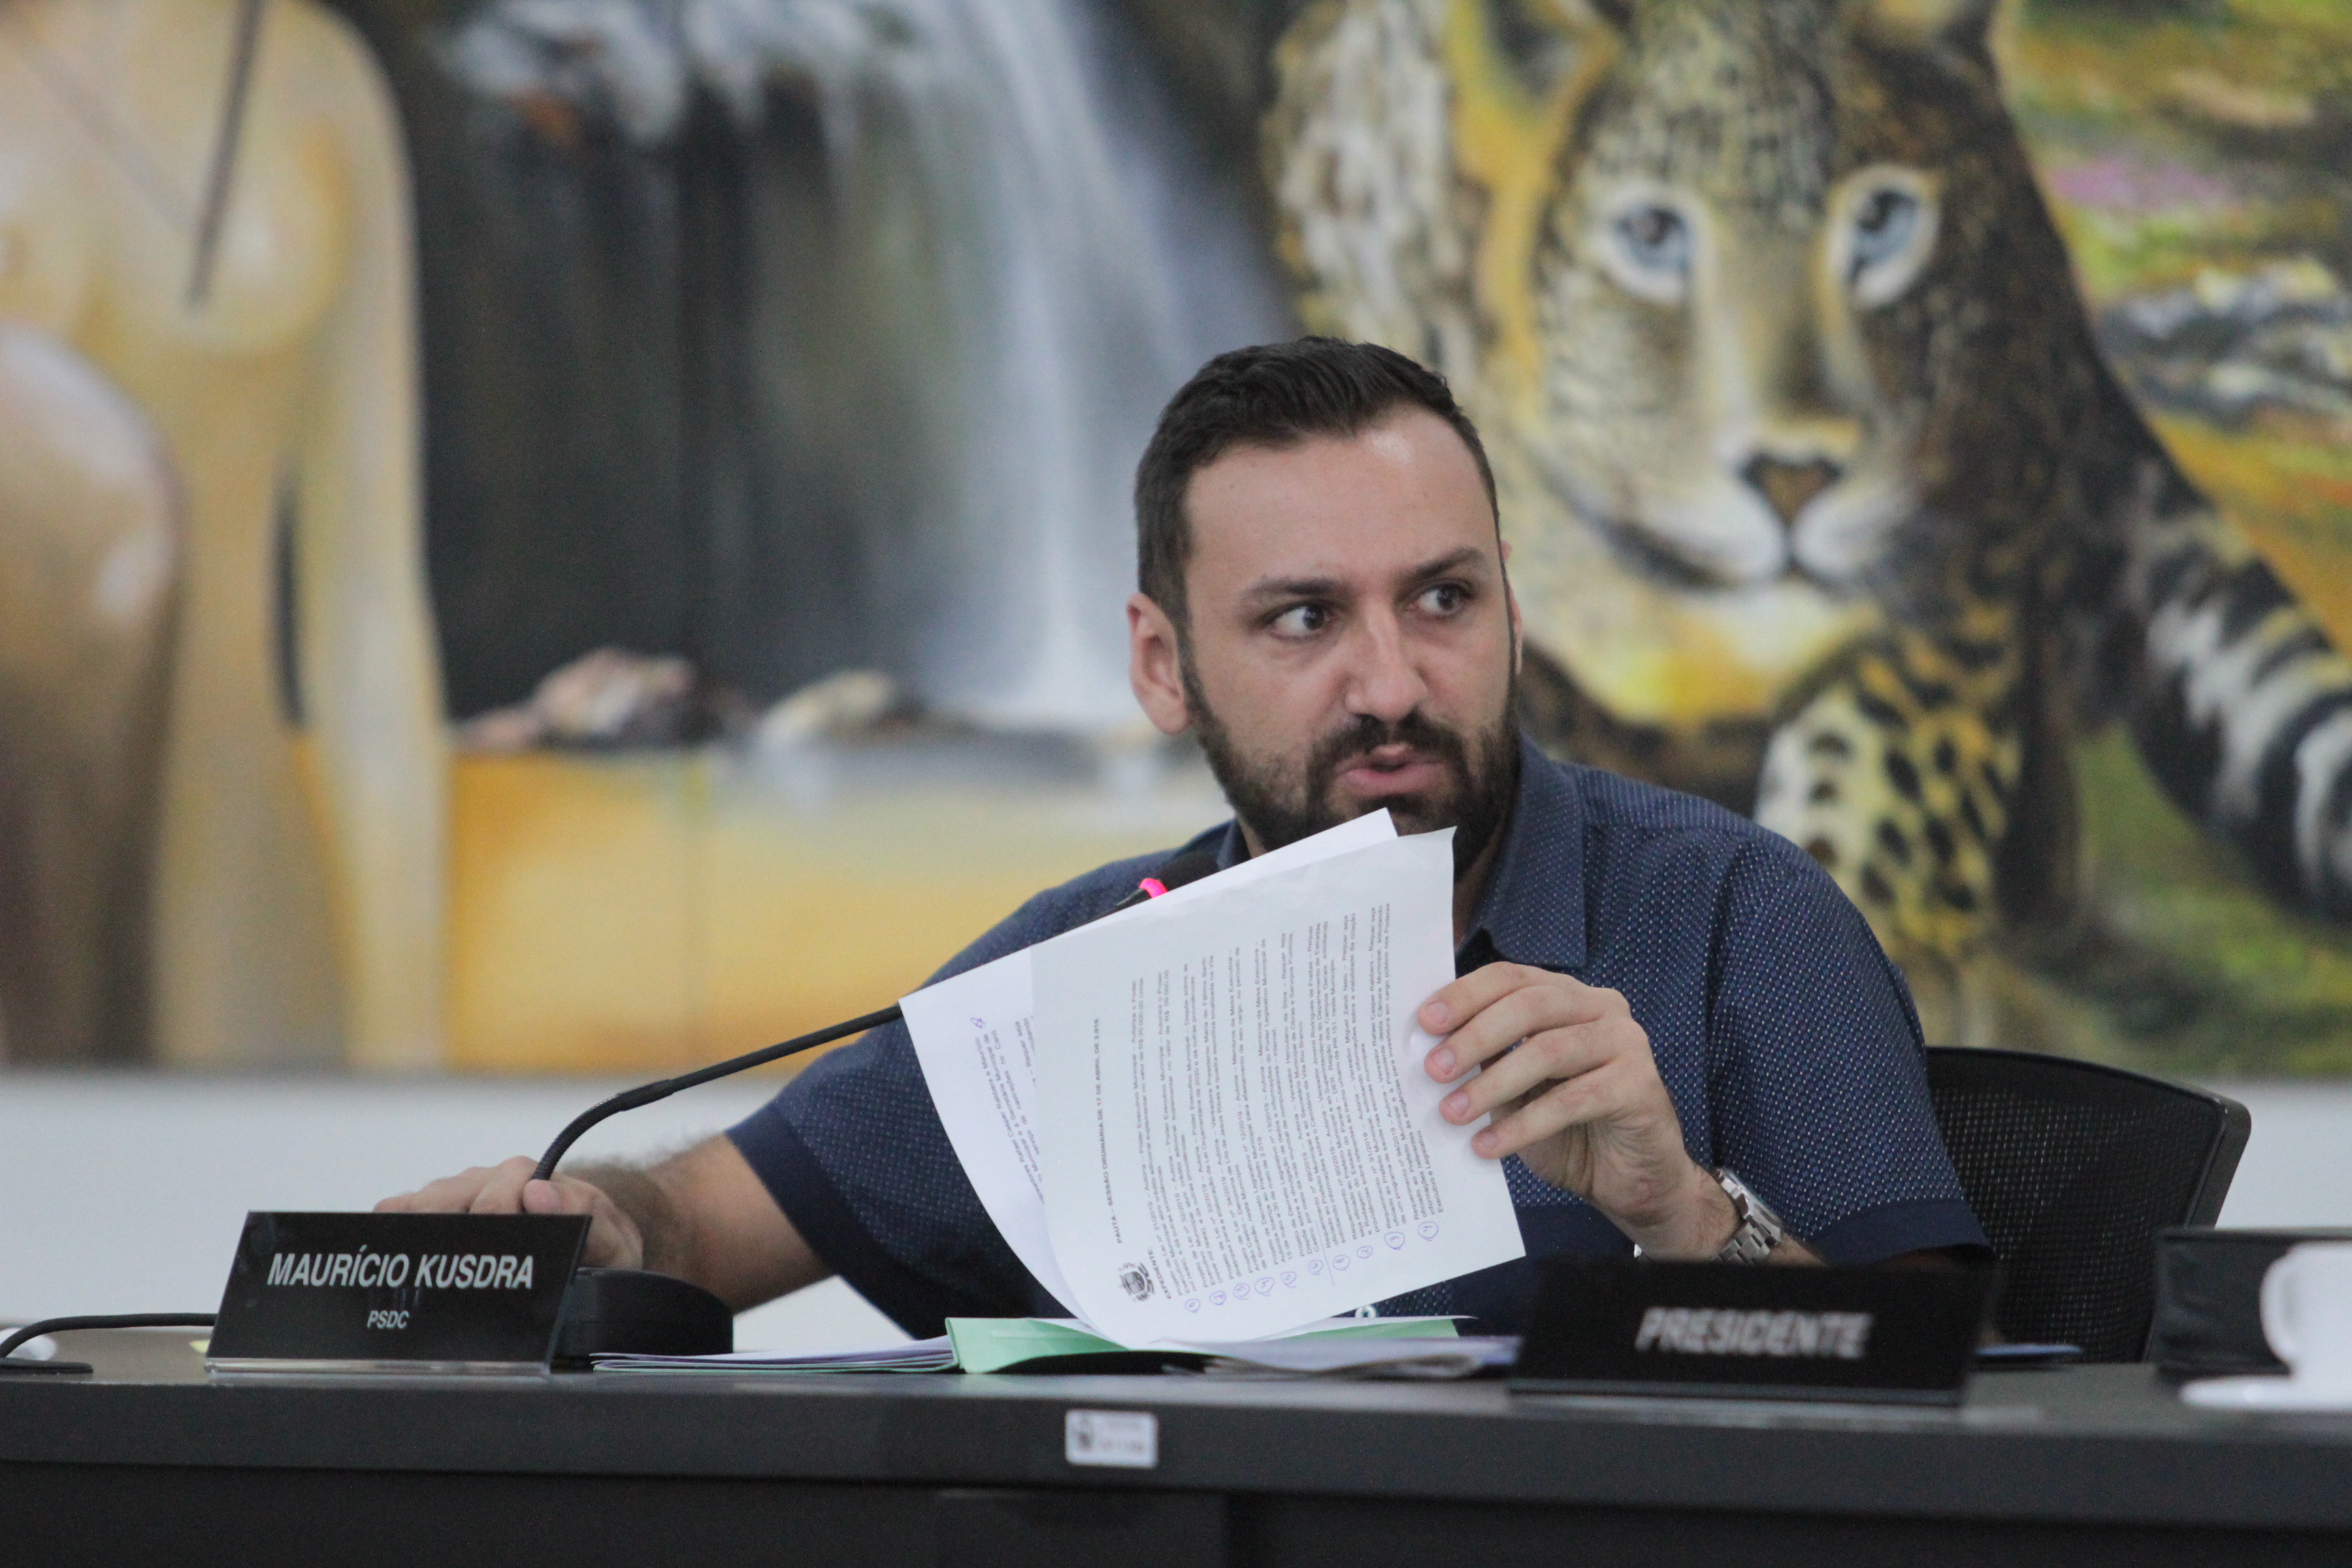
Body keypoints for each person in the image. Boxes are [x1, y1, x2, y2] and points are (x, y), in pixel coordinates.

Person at [381, 338, 1987, 1333]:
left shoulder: (1731, 919)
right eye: (1303, 619)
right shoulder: (1087, 966)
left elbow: (1952, 1401)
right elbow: (705, 1230)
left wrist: (1684, 1219)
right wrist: (600, 1226)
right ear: (1163, 668)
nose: (1391, 682)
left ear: (1512, 608)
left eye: (1443, 600)